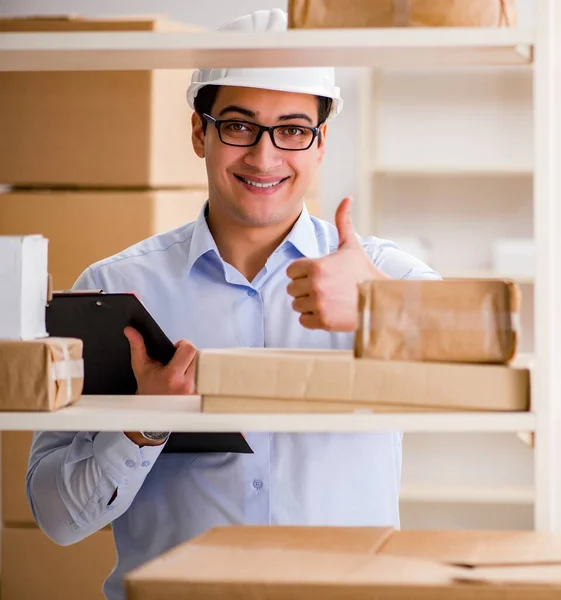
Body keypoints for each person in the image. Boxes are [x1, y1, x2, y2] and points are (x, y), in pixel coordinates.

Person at [26, 8, 439, 600]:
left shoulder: (386, 274)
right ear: (200, 133)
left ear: (321, 143)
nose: (265, 157)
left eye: (293, 129)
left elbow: (499, 352)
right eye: (239, 126)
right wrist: (142, 428)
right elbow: (57, 520)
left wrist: (380, 308)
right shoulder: (109, 291)